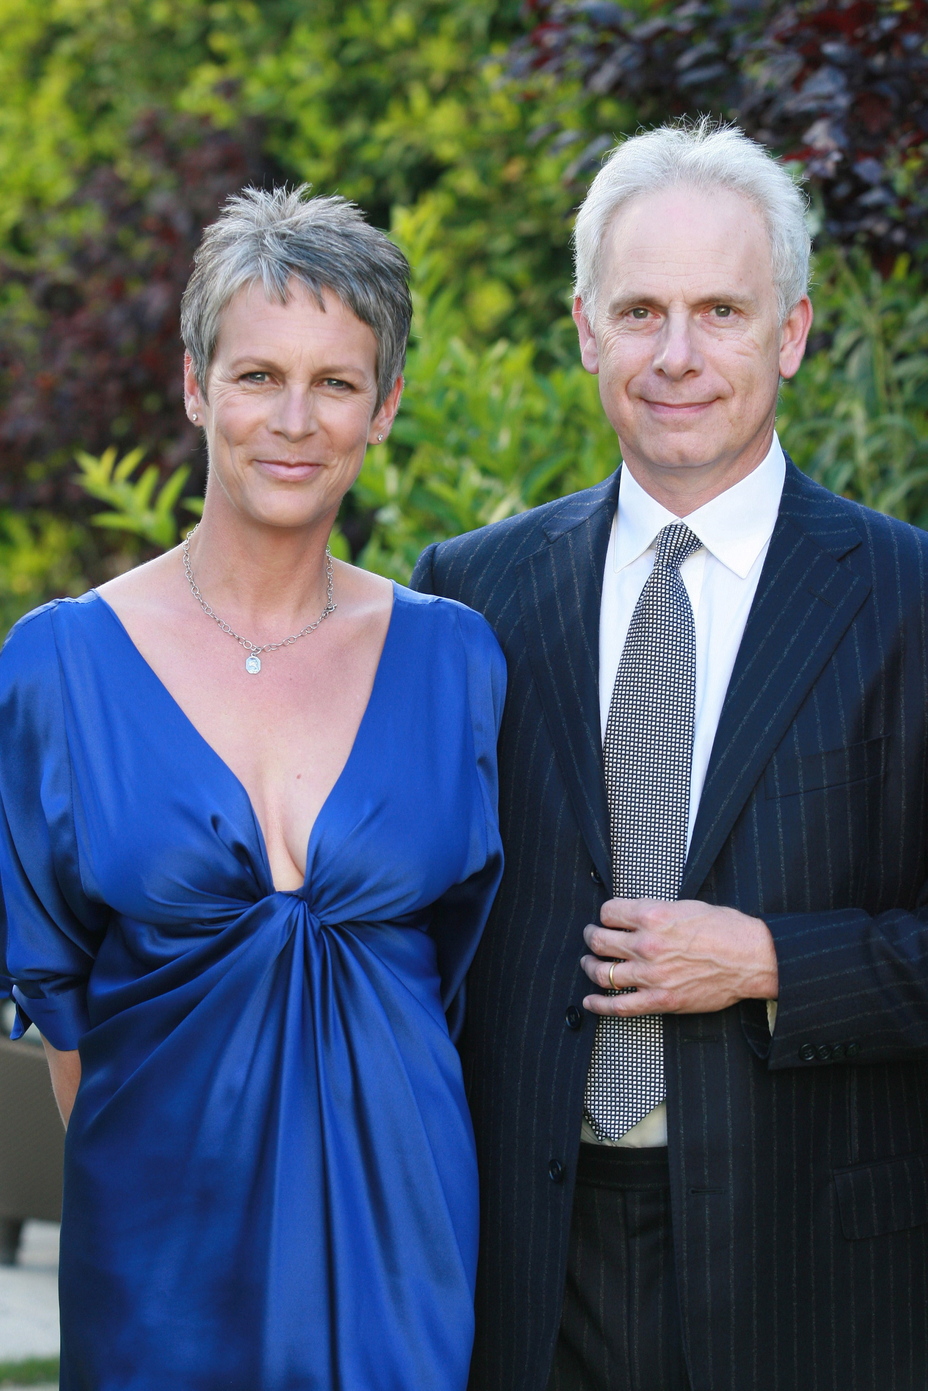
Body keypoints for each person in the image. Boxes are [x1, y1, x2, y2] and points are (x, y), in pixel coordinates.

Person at [412, 120, 928, 1391]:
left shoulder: (907, 597)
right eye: (640, 310)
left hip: (811, 1270)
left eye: (720, 312)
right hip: (529, 1265)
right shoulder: (470, 596)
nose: (677, 354)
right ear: (586, 330)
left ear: (790, 333)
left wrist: (770, 960)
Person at [0, 186, 505, 1390]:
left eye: (335, 382)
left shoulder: (455, 659)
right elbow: (58, 1002)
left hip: (405, 1243)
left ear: (384, 407)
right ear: (195, 385)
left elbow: (468, 966)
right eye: (257, 375)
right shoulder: (58, 666)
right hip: (156, 1249)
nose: (293, 419)